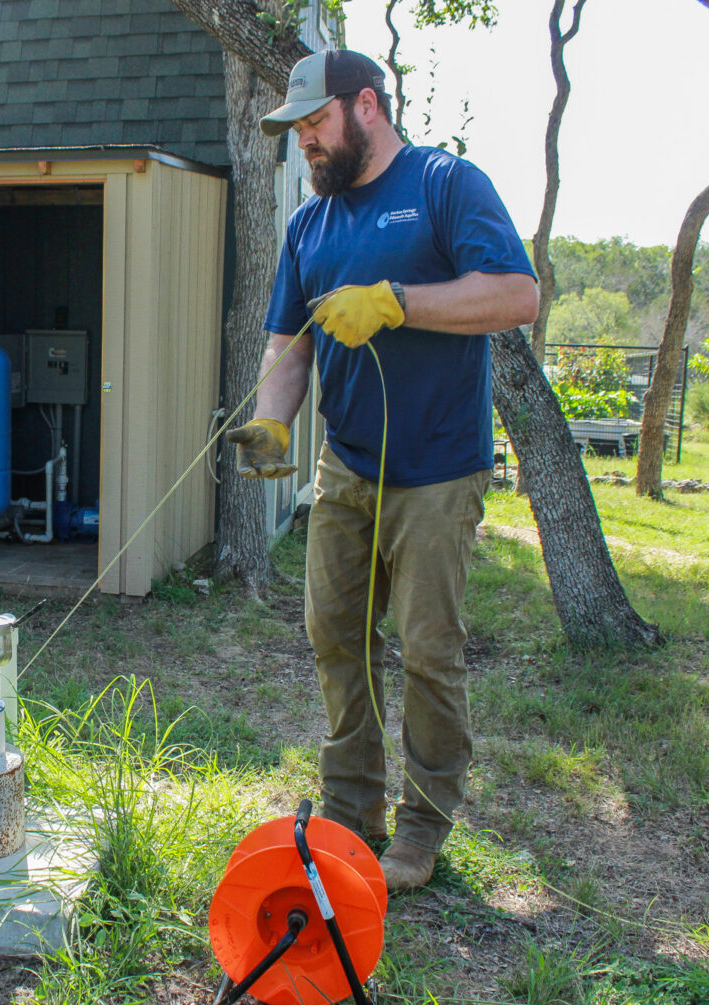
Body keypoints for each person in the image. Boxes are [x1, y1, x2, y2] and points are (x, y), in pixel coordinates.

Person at [227, 50, 538, 891]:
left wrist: (399, 300)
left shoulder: (444, 184)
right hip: (347, 465)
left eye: (315, 126)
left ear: (365, 105)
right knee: (335, 636)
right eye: (295, 135)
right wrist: (269, 419)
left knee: (428, 650)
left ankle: (423, 832)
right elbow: (289, 343)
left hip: (438, 471)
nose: (306, 147)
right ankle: (351, 808)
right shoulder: (310, 226)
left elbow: (515, 295)